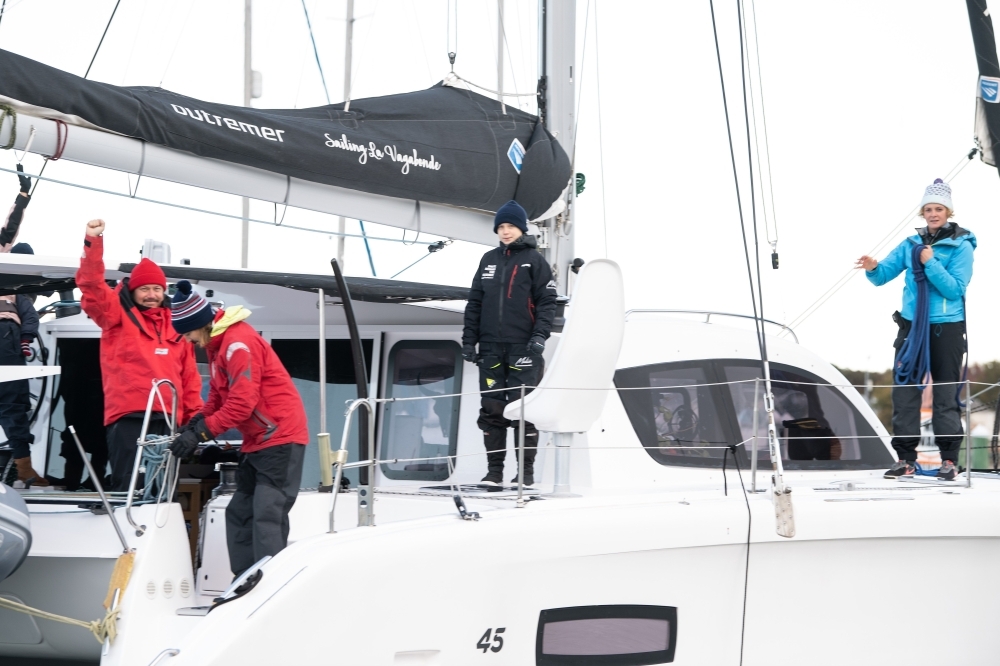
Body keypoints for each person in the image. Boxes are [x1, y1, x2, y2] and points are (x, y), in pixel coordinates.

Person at [168, 281, 308, 577]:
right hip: (259, 441)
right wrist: (196, 423)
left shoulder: (237, 345)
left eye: (188, 333)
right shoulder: (219, 346)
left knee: (266, 515)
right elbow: (218, 397)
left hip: (280, 438)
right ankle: (245, 582)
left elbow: (242, 405)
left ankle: (269, 586)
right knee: (239, 512)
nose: (188, 340)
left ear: (200, 325)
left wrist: (201, 434)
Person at [857, 179, 976, 481]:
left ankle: (948, 460)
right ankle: (905, 459)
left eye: (938, 209)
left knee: (945, 396)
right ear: (922, 213)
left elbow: (954, 289)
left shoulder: (961, 246)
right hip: (911, 328)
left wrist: (931, 262)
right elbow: (883, 274)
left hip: (946, 330)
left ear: (948, 211)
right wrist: (872, 267)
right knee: (906, 393)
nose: (933, 213)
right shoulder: (911, 244)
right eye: (928, 209)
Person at [76, 220, 203, 491]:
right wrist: (93, 240)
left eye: (157, 289)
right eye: (144, 289)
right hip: (129, 416)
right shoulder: (115, 316)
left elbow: (190, 379)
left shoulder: (178, 325)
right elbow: (91, 285)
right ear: (132, 292)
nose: (151, 294)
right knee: (131, 487)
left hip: (169, 420)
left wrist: (194, 423)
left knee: (162, 490)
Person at [462, 200, 557, 486]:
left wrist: (539, 336)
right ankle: (494, 473)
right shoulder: (488, 260)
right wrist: (469, 342)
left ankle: (525, 475)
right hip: (490, 348)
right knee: (492, 410)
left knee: (523, 410)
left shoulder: (534, 260)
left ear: (521, 228)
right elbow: (475, 303)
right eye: (501, 227)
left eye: (510, 226)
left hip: (523, 348)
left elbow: (547, 302)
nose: (505, 231)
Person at [0, 169, 44, 486]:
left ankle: (24, 469)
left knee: (14, 403)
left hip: (7, 335)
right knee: (12, 403)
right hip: (6, 333)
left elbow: (10, 228)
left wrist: (23, 195)